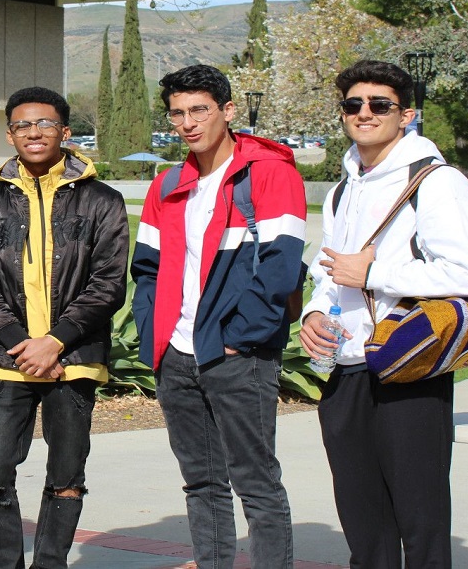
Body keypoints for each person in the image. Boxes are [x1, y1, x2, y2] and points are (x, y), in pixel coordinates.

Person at [299, 60, 468, 568]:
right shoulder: (346, 186)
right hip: (345, 364)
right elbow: (331, 269)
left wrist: (376, 273)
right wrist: (314, 314)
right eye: (353, 104)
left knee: (419, 513)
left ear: (407, 115)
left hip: (409, 361)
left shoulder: (437, 182)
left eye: (379, 104)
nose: (364, 113)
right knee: (362, 518)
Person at [131, 64, 306, 569]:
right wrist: (155, 336)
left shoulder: (270, 173)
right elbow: (146, 268)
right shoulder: (167, 185)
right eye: (177, 114)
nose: (187, 122)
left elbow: (281, 266)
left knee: (256, 481)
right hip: (177, 356)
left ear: (227, 111)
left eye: (199, 110)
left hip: (238, 356)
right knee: (202, 481)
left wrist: (239, 337)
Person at [0, 86, 130, 569]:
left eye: (45, 123)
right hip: (4, 360)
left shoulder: (103, 201)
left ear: (66, 132)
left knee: (67, 474)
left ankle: (50, 562)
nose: (34, 132)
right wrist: (19, 343)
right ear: (10, 135)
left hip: (73, 360)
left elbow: (109, 282)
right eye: (23, 125)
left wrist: (55, 341)